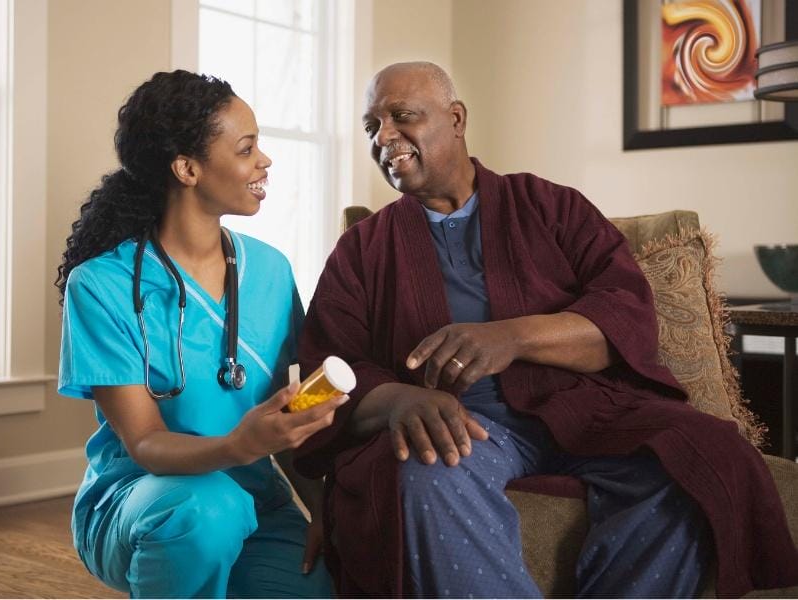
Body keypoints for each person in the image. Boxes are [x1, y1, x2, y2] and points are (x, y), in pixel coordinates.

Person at [294, 62, 798, 598]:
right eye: (372, 126)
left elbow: (627, 314)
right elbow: (325, 375)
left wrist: (511, 337)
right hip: (465, 424)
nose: (384, 136)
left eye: (402, 116)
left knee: (699, 457)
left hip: (584, 408)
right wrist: (397, 400)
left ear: (457, 119)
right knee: (426, 470)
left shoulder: (553, 207)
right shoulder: (362, 251)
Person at [55, 70, 342, 599]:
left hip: (257, 503)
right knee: (210, 512)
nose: (265, 161)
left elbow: (289, 415)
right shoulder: (100, 285)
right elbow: (143, 442)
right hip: (147, 503)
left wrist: (324, 507)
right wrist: (238, 444)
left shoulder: (271, 271)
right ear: (187, 168)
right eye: (246, 148)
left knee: (315, 585)